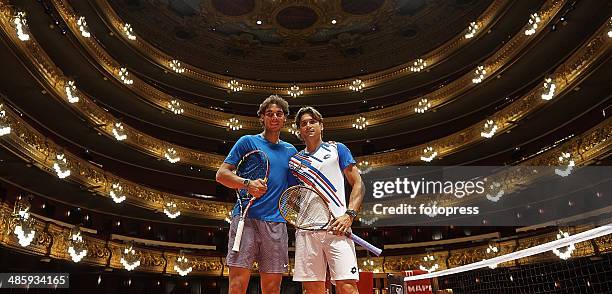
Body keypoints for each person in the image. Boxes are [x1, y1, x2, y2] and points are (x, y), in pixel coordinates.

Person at [216, 95, 297, 294]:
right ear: (262, 117)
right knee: (237, 286)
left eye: (279, 114)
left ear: (285, 118)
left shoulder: (291, 150)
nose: (275, 117)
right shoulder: (247, 142)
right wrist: (247, 184)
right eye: (270, 114)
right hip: (245, 219)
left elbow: (293, 193)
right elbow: (221, 175)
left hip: (276, 225)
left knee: (272, 288)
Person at [289, 106, 364, 294]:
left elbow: (358, 184)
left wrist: (349, 215)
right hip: (307, 233)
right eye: (303, 123)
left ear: (321, 126)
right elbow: (291, 198)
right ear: (299, 131)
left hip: (338, 228)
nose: (308, 125)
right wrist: (297, 220)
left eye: (312, 121)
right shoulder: (294, 162)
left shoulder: (337, 149)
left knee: (347, 287)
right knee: (313, 290)